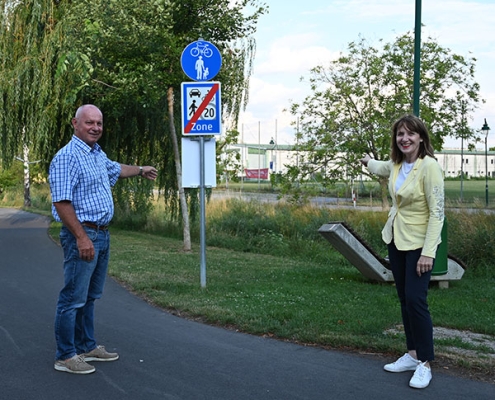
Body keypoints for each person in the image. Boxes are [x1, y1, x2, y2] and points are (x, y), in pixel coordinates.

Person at [49, 104, 158, 374]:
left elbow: (115, 169)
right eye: (89, 123)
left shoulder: (96, 154)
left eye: (99, 123)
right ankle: (65, 356)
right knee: (73, 297)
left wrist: (141, 168)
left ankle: (86, 346)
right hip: (84, 235)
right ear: (75, 123)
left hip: (102, 234)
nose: (95, 127)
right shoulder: (68, 157)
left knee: (89, 296)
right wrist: (82, 238)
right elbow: (62, 203)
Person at [360, 114, 444, 389]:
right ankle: (412, 354)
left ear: (421, 138)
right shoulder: (397, 164)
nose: (405, 138)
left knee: (416, 300)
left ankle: (425, 362)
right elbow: (382, 167)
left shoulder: (429, 167)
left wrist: (429, 252)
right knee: (404, 300)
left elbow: (438, 214)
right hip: (396, 240)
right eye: (400, 134)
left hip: (420, 244)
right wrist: (366, 162)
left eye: (410, 134)